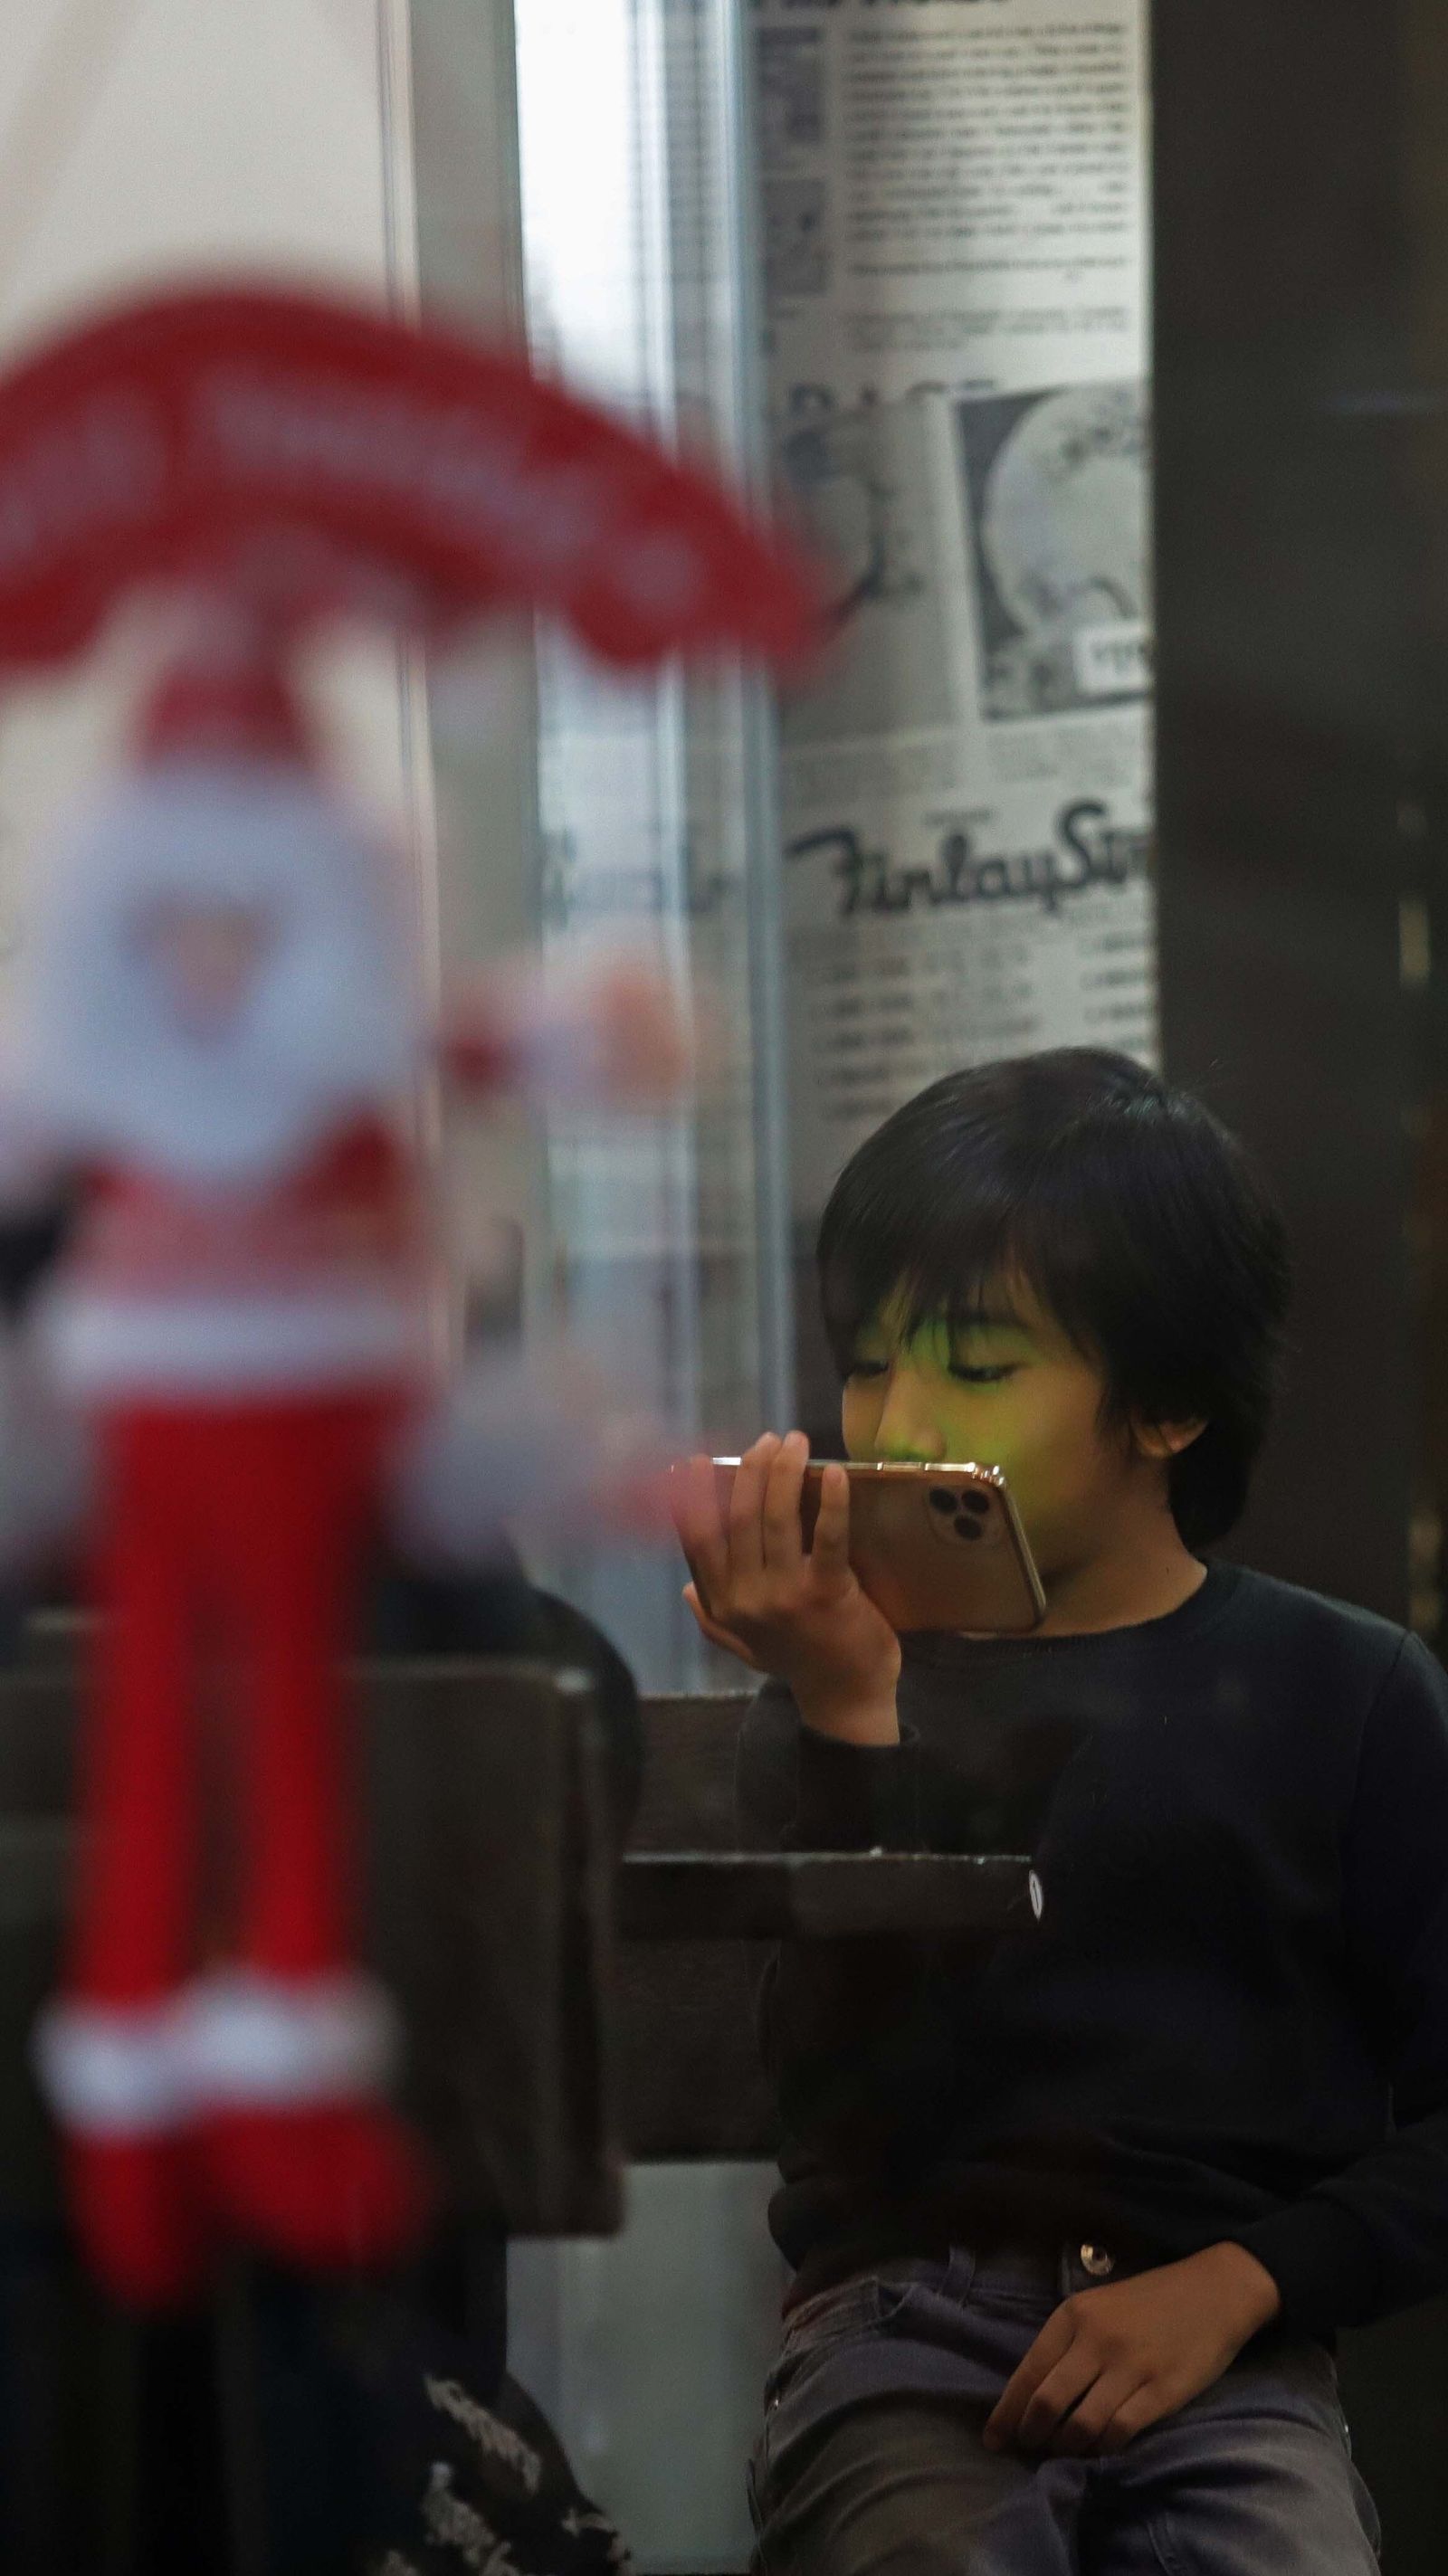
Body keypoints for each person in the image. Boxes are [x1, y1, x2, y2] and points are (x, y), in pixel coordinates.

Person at [672, 1048, 1448, 2574]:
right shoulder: (858, 1687)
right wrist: (847, 1715)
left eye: (973, 1362)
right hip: (897, 2338)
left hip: (1230, 2350)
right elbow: (844, 2114)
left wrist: (1245, 2281)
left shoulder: (1347, 1694)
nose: (891, 1423)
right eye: (870, 1358)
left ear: (1164, 1403)